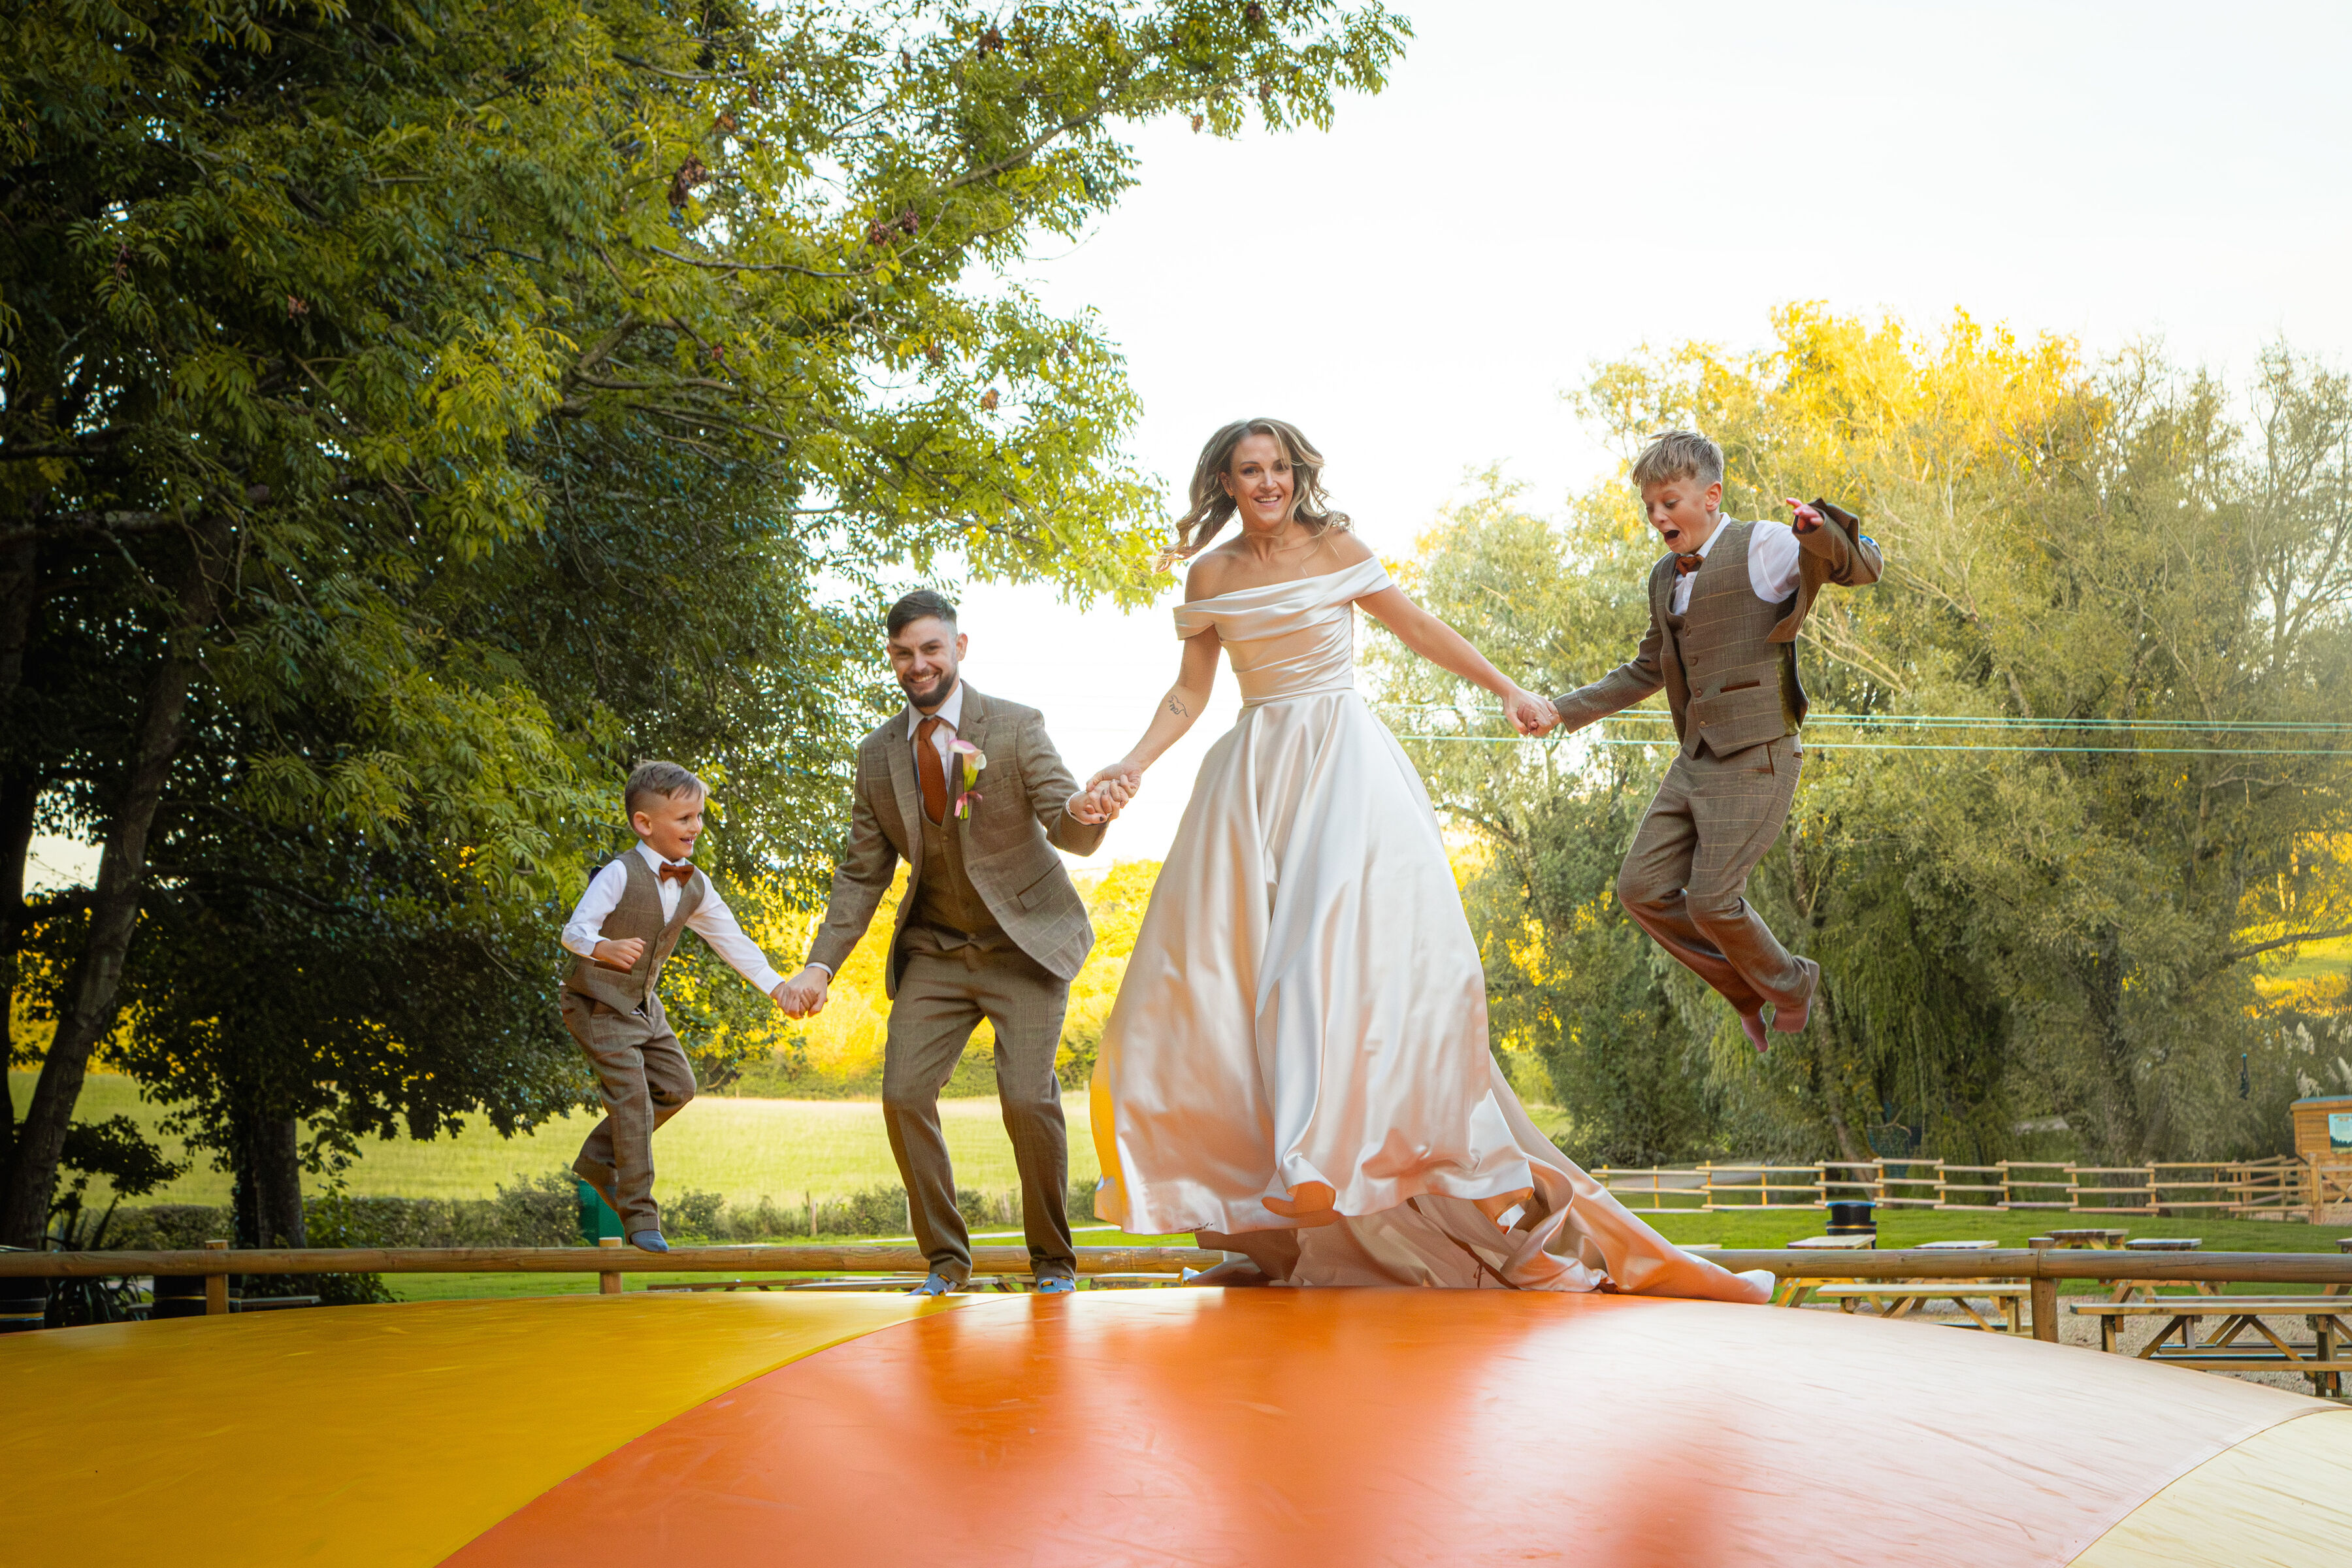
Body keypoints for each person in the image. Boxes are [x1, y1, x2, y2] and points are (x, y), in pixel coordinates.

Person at [1082, 417, 1771, 1299]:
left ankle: (1320, 1164)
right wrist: (1131, 766)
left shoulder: (1337, 546)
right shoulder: (1210, 576)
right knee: (1211, 990)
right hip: (1253, 779)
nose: (1267, 483)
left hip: (1342, 771)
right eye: (1249, 471)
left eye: (1280, 468)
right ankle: (1273, 1216)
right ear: (1224, 482)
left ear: (1298, 474)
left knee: (1310, 972)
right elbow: (1189, 693)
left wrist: (1512, 690)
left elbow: (1419, 629)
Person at [776, 591, 1130, 1297]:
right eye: (905, 653)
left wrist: (1089, 812)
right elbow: (861, 872)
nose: (919, 664)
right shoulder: (877, 755)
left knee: (1026, 1100)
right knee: (904, 1094)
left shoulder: (1016, 727)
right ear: (891, 658)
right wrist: (819, 967)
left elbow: (1066, 821)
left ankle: (1054, 1265)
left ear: (959, 649)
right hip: (936, 949)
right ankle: (945, 1262)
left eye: (932, 649)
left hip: (1023, 946)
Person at [1533, 429, 1882, 1052]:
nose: (1657, 517)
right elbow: (1646, 668)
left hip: (1758, 756)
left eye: (1669, 502)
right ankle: (1747, 989)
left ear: (1711, 495)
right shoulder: (1664, 575)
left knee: (1714, 901)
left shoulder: (1766, 546)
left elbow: (1863, 565)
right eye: (1649, 508)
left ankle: (1793, 985)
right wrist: (1561, 711)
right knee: (1641, 890)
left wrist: (1817, 530)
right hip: (1694, 761)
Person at [561, 760, 795, 1253]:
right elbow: (574, 931)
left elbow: (732, 941)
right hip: (596, 1003)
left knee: (679, 1087)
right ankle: (639, 1213)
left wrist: (777, 987)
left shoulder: (695, 884)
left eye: (699, 816)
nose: (696, 827)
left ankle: (598, 1158)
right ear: (644, 824)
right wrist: (602, 948)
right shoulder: (620, 873)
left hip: (643, 1004)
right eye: (685, 818)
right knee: (632, 1099)